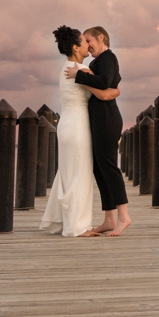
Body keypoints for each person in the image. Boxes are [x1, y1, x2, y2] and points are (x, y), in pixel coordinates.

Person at [41, 26, 119, 238]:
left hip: (66, 124)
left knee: (67, 172)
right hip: (78, 126)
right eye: (84, 41)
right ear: (76, 47)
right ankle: (76, 226)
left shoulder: (66, 67)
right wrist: (117, 91)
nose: (88, 44)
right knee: (80, 174)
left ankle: (62, 220)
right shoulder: (81, 71)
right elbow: (104, 93)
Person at [63, 26, 131, 236]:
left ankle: (123, 216)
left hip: (107, 119)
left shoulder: (108, 58)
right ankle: (109, 218)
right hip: (98, 119)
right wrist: (87, 75)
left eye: (89, 40)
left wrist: (79, 75)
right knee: (99, 168)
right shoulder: (95, 62)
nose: (88, 45)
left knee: (109, 166)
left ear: (101, 38)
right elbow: (110, 87)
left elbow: (103, 84)